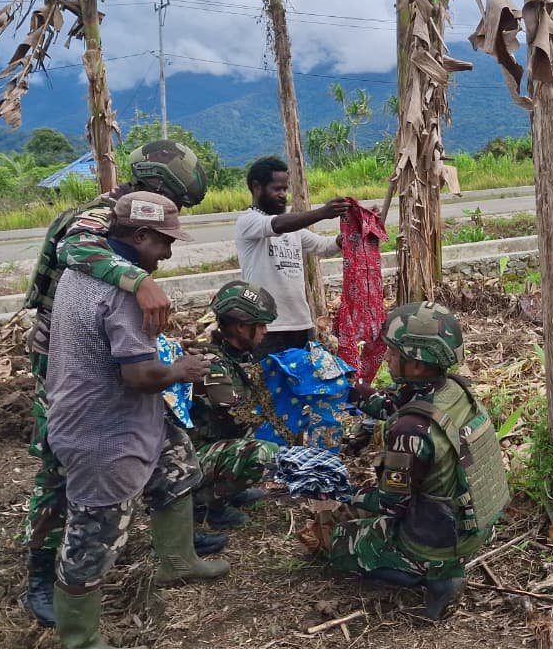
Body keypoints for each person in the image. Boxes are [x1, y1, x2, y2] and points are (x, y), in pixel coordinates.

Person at [21, 141, 220, 628]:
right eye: (166, 232)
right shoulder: (102, 217)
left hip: (107, 347)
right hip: (67, 361)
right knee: (63, 474)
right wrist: (139, 281)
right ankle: (43, 576)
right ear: (153, 192)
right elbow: (75, 248)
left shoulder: (129, 228)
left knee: (167, 444)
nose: (170, 246)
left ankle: (178, 552)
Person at [327, 302, 511, 619]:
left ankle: (435, 576)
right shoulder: (451, 389)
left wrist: (342, 493)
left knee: (338, 543)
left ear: (416, 366)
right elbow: (396, 405)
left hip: (436, 543)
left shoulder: (410, 431)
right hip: (470, 523)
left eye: (394, 353)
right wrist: (352, 390)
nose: (386, 357)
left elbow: (391, 504)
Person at [186, 281, 283, 529]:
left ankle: (227, 491)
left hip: (212, 445)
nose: (265, 332)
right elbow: (238, 413)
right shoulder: (211, 362)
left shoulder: (237, 355)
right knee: (264, 453)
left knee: (257, 436)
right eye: (260, 325)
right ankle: (207, 504)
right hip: (189, 457)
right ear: (241, 326)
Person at [235, 156, 348, 358]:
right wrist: (322, 212)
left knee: (305, 386)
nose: (282, 195)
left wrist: (352, 231)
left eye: (285, 189)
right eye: (276, 189)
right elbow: (278, 225)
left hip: (301, 324)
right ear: (256, 187)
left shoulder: (293, 229)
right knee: (271, 388)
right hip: (268, 328)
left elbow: (323, 247)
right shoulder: (249, 221)